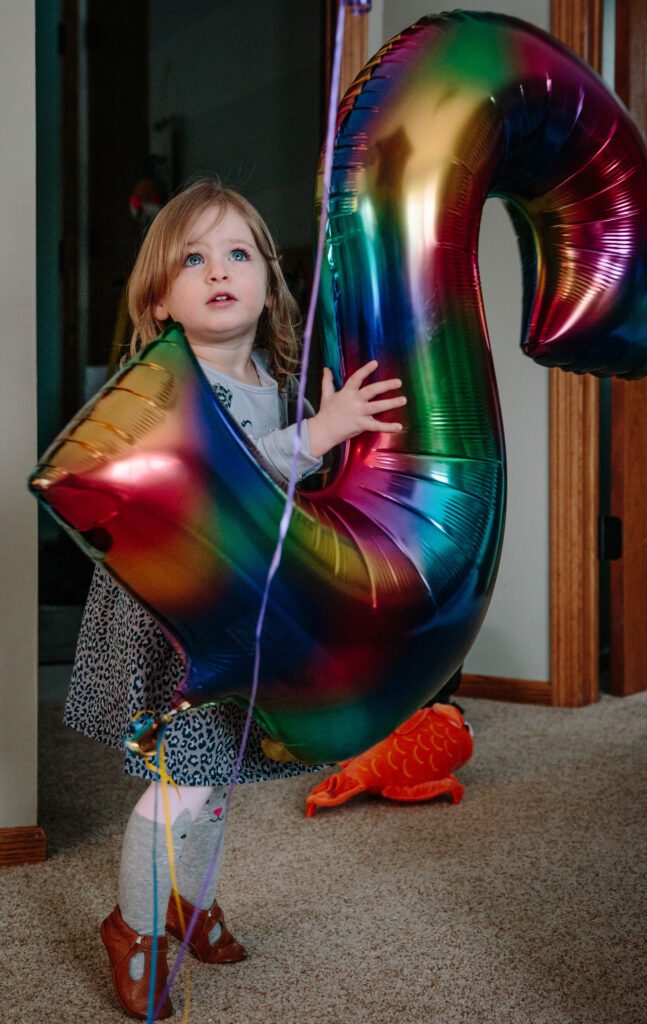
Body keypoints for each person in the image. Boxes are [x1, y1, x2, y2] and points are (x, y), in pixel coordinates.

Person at [64, 177, 406, 1021]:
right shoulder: (165, 382)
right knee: (178, 783)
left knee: (215, 783)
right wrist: (316, 436)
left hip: (243, 616)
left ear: (267, 280)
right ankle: (133, 928)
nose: (219, 269)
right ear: (161, 300)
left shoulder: (271, 377)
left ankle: (189, 899)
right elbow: (223, 482)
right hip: (173, 622)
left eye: (238, 253)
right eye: (193, 258)